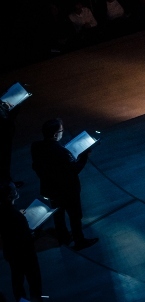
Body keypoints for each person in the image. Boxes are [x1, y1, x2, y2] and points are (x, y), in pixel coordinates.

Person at [30, 118, 99, 249]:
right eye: (61, 131)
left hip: (50, 189)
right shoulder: (61, 152)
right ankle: (79, 241)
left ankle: (64, 238)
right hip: (68, 190)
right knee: (75, 216)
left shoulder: (36, 146)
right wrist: (84, 157)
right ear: (55, 134)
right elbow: (74, 170)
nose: (62, 132)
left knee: (58, 215)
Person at [0, 181, 42, 302]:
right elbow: (25, 238)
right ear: (9, 195)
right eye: (14, 190)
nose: (17, 191)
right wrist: (35, 233)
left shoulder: (4, 210)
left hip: (11, 253)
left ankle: (21, 300)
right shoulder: (15, 216)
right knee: (34, 281)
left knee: (17, 280)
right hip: (25, 253)